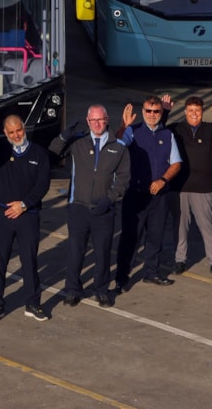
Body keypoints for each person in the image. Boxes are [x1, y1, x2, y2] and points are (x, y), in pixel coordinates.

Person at [0, 87, 51, 323]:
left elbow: (42, 185)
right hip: (1, 215)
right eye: (11, 131)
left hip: (28, 214)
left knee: (29, 261)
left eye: (19, 129)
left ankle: (33, 304)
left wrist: (24, 204)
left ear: (24, 128)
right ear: (6, 132)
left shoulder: (39, 153)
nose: (17, 134)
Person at [49, 104, 130, 307]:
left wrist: (110, 198)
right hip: (78, 207)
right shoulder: (77, 143)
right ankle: (72, 290)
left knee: (103, 252)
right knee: (75, 251)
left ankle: (101, 289)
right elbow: (52, 153)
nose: (97, 124)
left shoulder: (118, 146)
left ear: (107, 120)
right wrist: (64, 136)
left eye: (100, 120)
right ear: (87, 121)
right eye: (93, 120)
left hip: (104, 209)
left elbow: (123, 178)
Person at [114, 95, 183, 290]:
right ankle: (121, 277)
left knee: (156, 236)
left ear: (162, 113)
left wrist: (163, 180)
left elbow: (176, 163)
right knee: (130, 237)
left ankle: (150, 272)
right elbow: (115, 149)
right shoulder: (132, 132)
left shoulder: (168, 135)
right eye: (148, 111)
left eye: (156, 111)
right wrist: (123, 126)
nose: (152, 115)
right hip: (135, 195)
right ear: (143, 112)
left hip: (159, 196)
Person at [165, 95, 212, 278]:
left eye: (198, 111)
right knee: (180, 226)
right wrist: (164, 112)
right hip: (179, 187)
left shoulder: (211, 129)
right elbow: (160, 131)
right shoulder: (176, 129)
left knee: (207, 226)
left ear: (202, 112)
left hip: (203, 188)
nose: (194, 114)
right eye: (191, 110)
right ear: (185, 112)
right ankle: (180, 260)